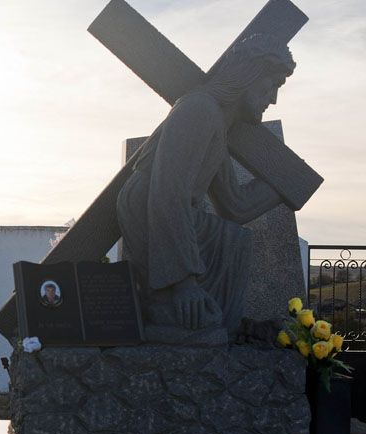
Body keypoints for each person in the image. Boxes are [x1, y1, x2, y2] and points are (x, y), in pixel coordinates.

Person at [116, 34, 296, 344]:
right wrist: (184, 283)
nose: (274, 98)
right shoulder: (198, 110)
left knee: (235, 239)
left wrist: (287, 182)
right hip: (150, 216)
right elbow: (168, 194)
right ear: (248, 76)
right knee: (202, 328)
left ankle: (223, 320)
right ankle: (166, 307)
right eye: (272, 85)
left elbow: (235, 206)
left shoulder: (216, 123)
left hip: (169, 212)